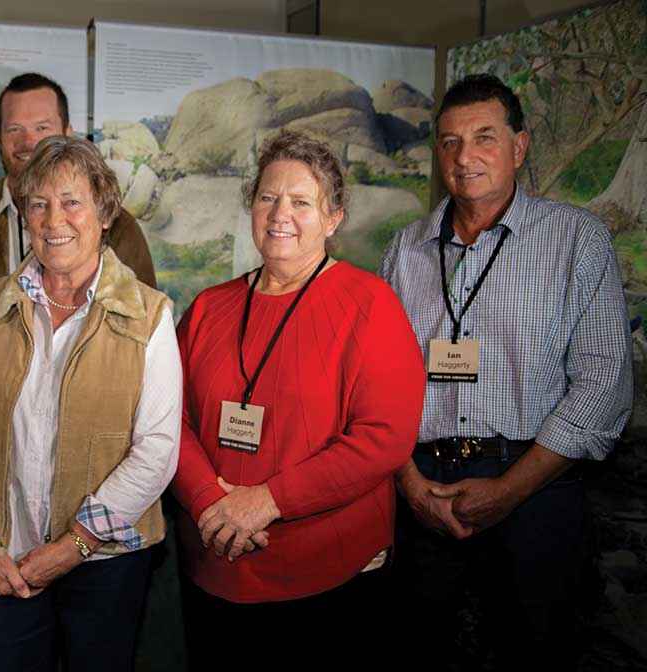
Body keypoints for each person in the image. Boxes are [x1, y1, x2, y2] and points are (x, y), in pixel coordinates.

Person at [380, 73, 633, 670]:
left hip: (533, 485)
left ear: (519, 146)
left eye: (484, 138)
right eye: (449, 142)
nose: (465, 157)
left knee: (535, 652)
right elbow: (376, 386)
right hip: (421, 487)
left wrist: (508, 490)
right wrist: (411, 488)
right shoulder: (405, 249)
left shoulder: (577, 241)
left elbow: (603, 388)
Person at [172, 129, 425, 669]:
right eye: (267, 197)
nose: (280, 212)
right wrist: (209, 502)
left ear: (333, 218)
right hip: (214, 563)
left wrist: (266, 500)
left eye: (301, 201)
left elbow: (384, 439)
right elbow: (166, 421)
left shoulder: (370, 305)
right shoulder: (209, 309)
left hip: (327, 579)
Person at [0, 134, 180, 672]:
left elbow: (157, 447)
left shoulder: (150, 314)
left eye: (72, 202)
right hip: (3, 557)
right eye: (38, 204)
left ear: (104, 212)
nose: (53, 219)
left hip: (109, 563)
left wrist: (72, 547)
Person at [0, 72, 156, 391]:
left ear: (68, 134)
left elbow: (141, 335)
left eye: (42, 128)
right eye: (14, 129)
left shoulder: (117, 225)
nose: (28, 142)